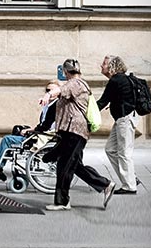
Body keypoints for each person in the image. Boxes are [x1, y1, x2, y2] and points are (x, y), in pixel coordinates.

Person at [43, 59, 115, 211]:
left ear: (65, 72)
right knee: (72, 165)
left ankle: (63, 202)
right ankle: (105, 185)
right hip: (73, 132)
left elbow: (59, 91)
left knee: (65, 166)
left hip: (74, 132)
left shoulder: (75, 83)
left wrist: (48, 95)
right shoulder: (79, 84)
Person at [0, 81, 60, 181]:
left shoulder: (55, 106)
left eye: (52, 90)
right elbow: (43, 124)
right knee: (17, 130)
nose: (49, 93)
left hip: (44, 136)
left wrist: (30, 130)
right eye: (47, 90)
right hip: (43, 133)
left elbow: (45, 126)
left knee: (7, 139)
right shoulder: (49, 105)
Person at [98, 55, 139, 195]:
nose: (101, 66)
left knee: (124, 153)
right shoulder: (120, 80)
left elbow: (102, 101)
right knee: (110, 149)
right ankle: (131, 177)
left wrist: (86, 113)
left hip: (125, 119)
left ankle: (130, 186)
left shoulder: (116, 80)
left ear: (111, 67)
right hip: (122, 119)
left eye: (104, 64)